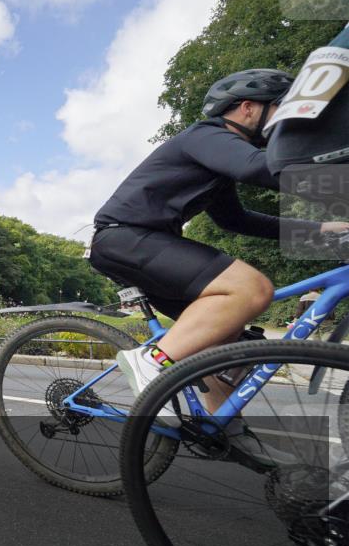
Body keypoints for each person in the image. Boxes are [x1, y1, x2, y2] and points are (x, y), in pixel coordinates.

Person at [88, 67, 349, 467]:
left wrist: (323, 231)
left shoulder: (216, 165)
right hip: (125, 237)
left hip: (148, 244)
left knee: (230, 348)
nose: (284, 122)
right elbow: (257, 168)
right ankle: (152, 362)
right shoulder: (205, 136)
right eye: (279, 109)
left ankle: (223, 430)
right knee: (251, 288)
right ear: (247, 108)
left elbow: (237, 221)